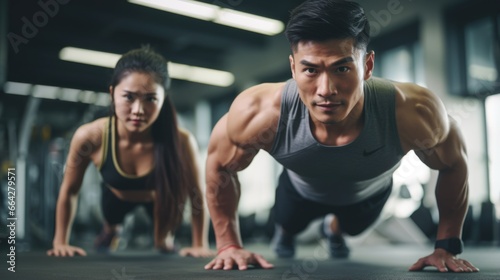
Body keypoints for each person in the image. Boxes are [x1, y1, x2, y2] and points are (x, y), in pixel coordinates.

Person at [203, 0, 479, 273]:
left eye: (342, 68)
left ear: (368, 66)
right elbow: (220, 164)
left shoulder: (412, 110)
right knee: (286, 222)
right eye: (310, 70)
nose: (326, 89)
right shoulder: (259, 111)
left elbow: (454, 162)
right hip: (299, 191)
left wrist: (447, 247)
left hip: (369, 194)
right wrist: (228, 245)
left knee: (352, 227)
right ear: (293, 68)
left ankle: (333, 229)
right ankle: (286, 231)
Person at [46, 47, 213, 258]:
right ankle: (111, 230)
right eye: (128, 97)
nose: (138, 110)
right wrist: (60, 242)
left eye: (150, 99)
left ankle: (163, 238)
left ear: (163, 101)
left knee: (163, 244)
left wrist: (200, 244)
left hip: (160, 200)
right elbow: (70, 190)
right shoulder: (90, 137)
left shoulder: (182, 141)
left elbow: (196, 193)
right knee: (111, 226)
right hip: (115, 197)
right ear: (112, 93)